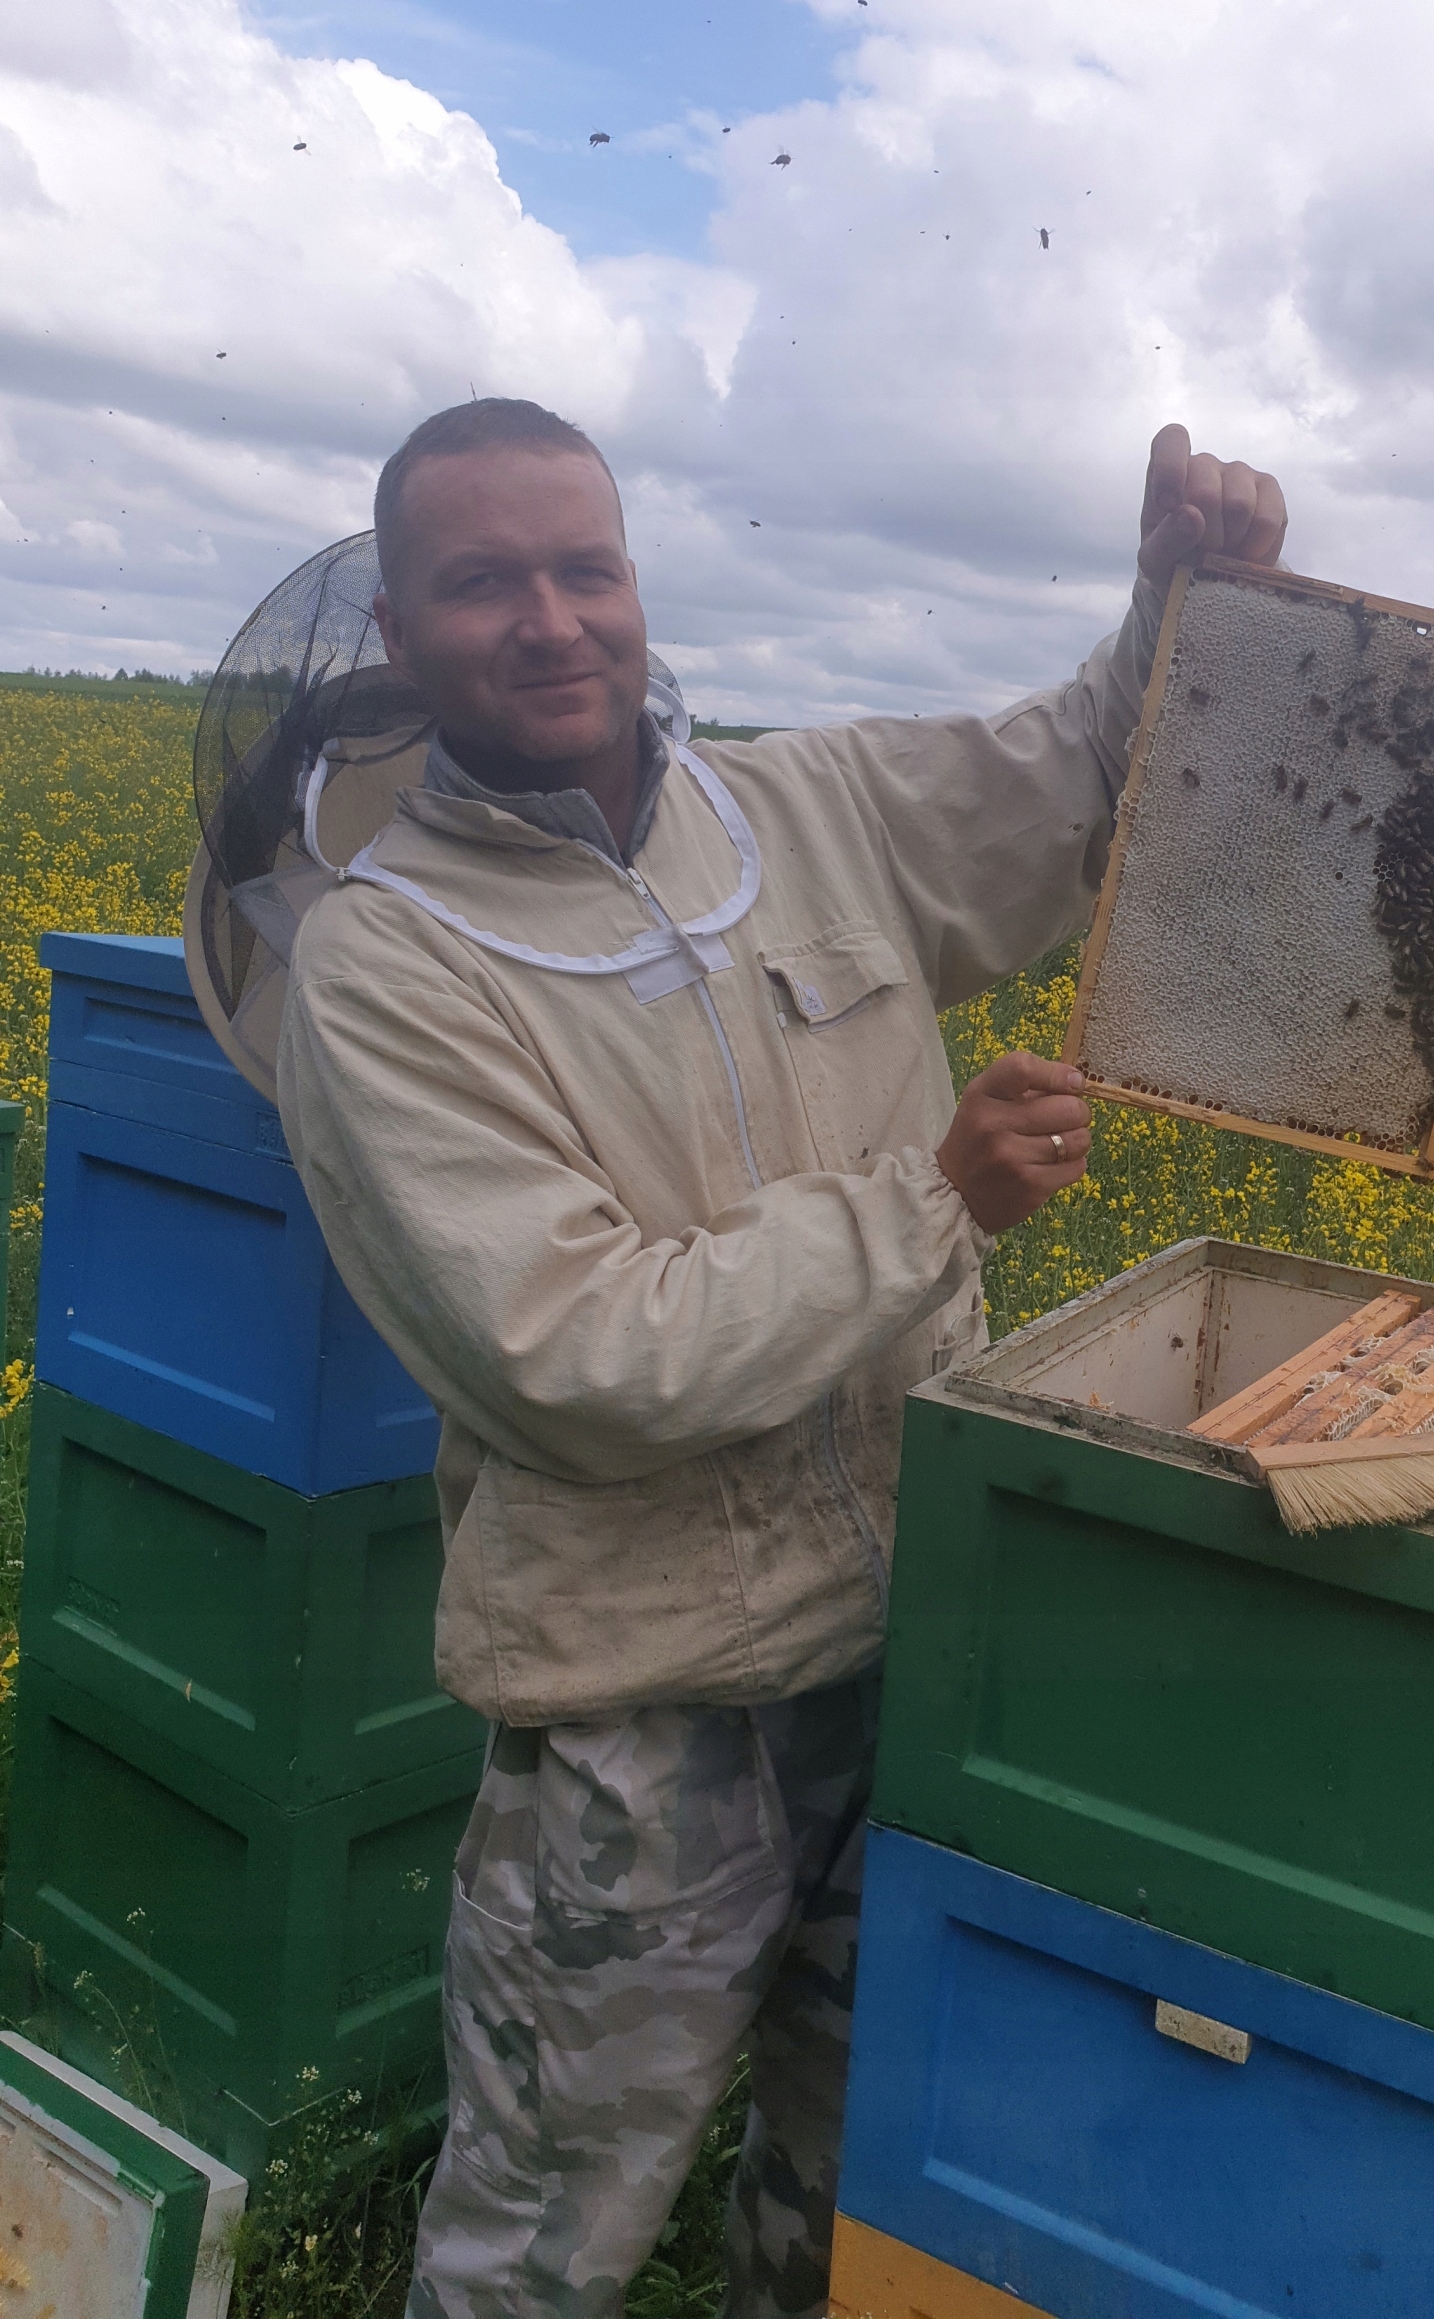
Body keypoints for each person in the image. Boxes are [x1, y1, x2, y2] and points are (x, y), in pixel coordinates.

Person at [274, 397, 1288, 2319]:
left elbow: (1074, 776)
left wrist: (1179, 614)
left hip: (923, 1655)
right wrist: (936, 1206)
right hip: (646, 1729)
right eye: (484, 583)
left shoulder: (803, 808)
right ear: (398, 639)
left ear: (639, 584)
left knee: (850, 2213)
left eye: (588, 567)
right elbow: (571, 1351)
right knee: (536, 2253)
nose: (552, 619)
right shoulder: (386, 966)